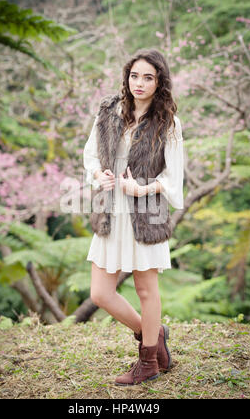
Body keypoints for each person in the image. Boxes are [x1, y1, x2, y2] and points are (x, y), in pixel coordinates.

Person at [83, 48, 184, 386]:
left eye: (148, 77)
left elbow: (174, 176)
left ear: (160, 83)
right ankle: (153, 336)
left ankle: (148, 363)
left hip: (147, 212)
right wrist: (100, 176)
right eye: (135, 75)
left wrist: (141, 189)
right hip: (110, 210)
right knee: (100, 293)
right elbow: (90, 155)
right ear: (127, 77)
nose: (139, 83)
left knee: (145, 288)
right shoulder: (108, 111)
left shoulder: (167, 122)